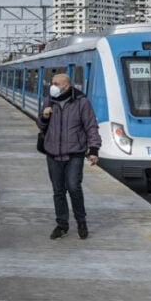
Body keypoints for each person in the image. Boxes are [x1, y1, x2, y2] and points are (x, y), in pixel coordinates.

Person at [37, 73, 101, 240]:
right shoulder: (49, 100)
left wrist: (94, 149)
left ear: (66, 85)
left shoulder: (81, 102)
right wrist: (44, 117)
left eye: (56, 83)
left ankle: (81, 221)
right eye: (53, 83)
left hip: (74, 153)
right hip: (52, 153)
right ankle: (62, 225)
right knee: (58, 191)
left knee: (73, 187)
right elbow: (41, 125)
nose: (52, 86)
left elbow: (91, 126)